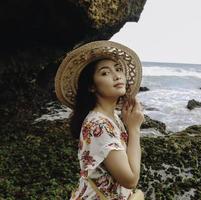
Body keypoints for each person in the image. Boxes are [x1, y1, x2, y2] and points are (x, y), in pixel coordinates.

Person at [54, 41, 144, 199]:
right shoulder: (99, 125)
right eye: (104, 73)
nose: (116, 76)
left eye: (118, 69)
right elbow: (130, 180)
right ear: (91, 86)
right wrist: (134, 129)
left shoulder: (113, 117)